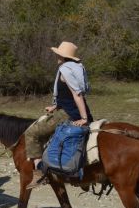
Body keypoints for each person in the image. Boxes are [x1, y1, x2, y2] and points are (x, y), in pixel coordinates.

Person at [25, 41, 93, 188]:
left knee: (32, 133)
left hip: (68, 113)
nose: (56, 56)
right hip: (71, 109)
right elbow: (69, 94)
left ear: (63, 56)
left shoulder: (65, 70)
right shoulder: (75, 68)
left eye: (58, 54)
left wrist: (83, 119)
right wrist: (55, 105)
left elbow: (77, 94)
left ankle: (39, 173)